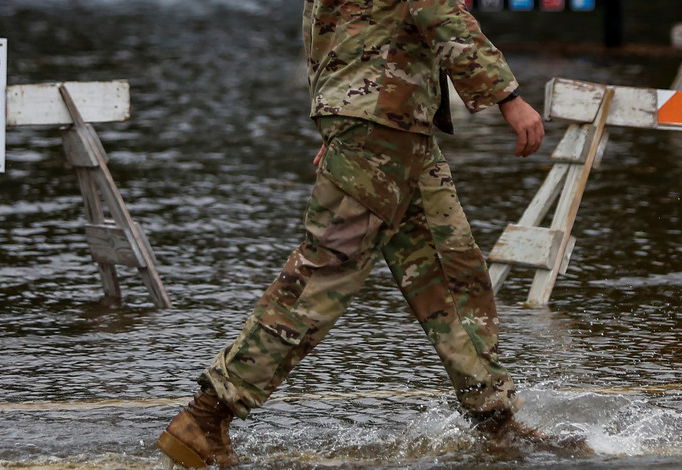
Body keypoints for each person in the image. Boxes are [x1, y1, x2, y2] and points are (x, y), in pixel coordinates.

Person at [157, 0, 545, 467]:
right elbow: (437, 8)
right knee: (323, 277)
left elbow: (322, 24)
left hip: (392, 123)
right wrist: (507, 96)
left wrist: (337, 117)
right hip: (381, 123)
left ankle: (495, 420)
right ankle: (205, 416)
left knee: (451, 270)